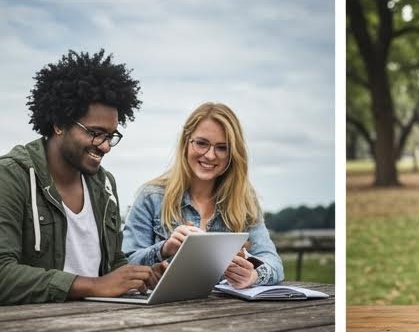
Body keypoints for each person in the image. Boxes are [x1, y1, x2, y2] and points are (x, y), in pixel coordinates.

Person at [0, 49, 164, 305]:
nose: (105, 146)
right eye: (96, 133)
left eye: (111, 136)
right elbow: (3, 274)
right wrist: (94, 285)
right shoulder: (11, 177)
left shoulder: (105, 184)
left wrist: (143, 277)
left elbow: (112, 265)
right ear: (59, 124)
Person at [123, 102, 284, 288]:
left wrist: (253, 275)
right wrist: (165, 247)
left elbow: (274, 263)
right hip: (163, 313)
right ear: (186, 143)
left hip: (230, 313)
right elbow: (125, 264)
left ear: (232, 153)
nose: (210, 155)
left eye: (222, 148)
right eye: (201, 143)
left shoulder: (244, 201)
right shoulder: (151, 197)